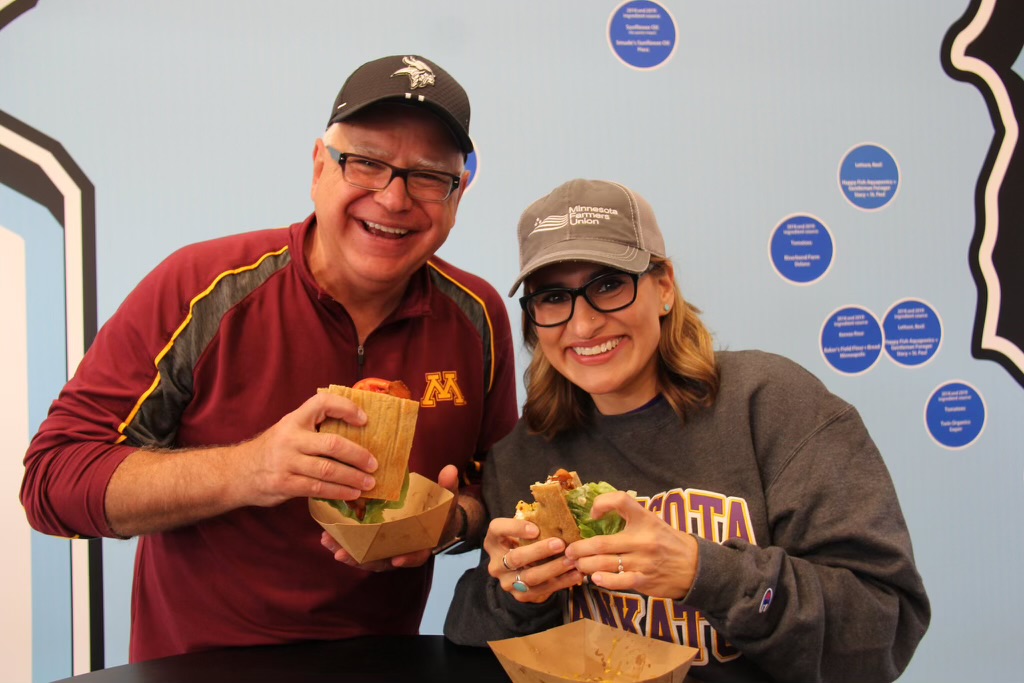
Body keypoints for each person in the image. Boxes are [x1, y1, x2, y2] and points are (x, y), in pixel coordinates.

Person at [20, 54, 519, 663]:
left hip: (383, 665)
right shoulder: (201, 287)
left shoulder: (477, 315)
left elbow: (494, 495)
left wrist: (449, 525)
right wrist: (251, 469)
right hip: (197, 668)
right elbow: (52, 481)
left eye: (427, 176)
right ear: (319, 167)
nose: (393, 199)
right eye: (366, 163)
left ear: (458, 193)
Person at [444, 179, 930, 682]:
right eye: (552, 297)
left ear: (664, 286)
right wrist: (520, 595)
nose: (583, 325)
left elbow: (884, 626)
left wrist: (705, 573)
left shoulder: (774, 405)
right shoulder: (527, 452)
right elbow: (471, 632)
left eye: (609, 284)